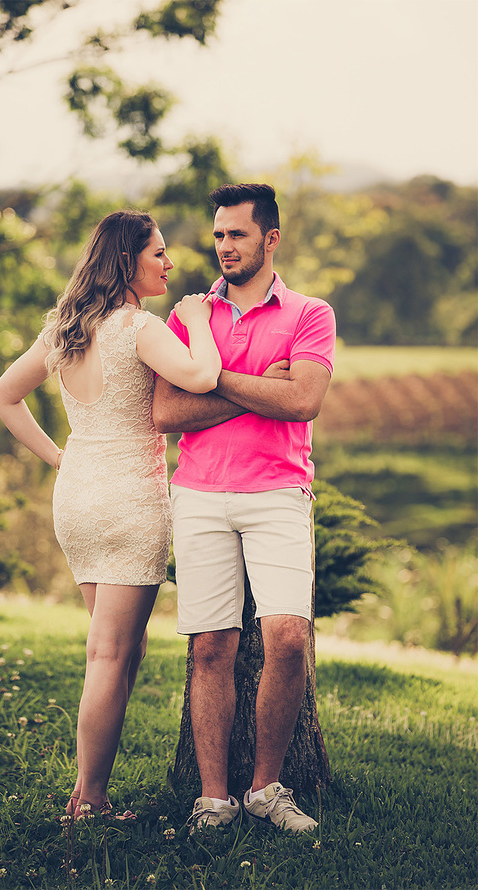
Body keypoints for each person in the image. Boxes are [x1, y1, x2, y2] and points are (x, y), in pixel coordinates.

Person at [0, 210, 222, 819]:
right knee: (110, 655)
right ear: (127, 261)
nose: (168, 264)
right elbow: (201, 374)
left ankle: (87, 791)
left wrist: (58, 456)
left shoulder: (66, 328)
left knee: (118, 648)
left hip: (78, 495)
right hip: (128, 499)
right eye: (159, 253)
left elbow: (3, 396)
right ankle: (88, 800)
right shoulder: (138, 327)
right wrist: (195, 319)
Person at [153, 183, 335, 833]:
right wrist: (267, 386)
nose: (224, 246)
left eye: (238, 234)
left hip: (280, 492)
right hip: (200, 492)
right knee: (211, 647)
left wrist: (216, 378)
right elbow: (168, 411)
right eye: (219, 234)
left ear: (271, 238)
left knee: (287, 638)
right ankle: (213, 800)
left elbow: (304, 402)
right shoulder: (189, 316)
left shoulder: (311, 313)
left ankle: (266, 789)